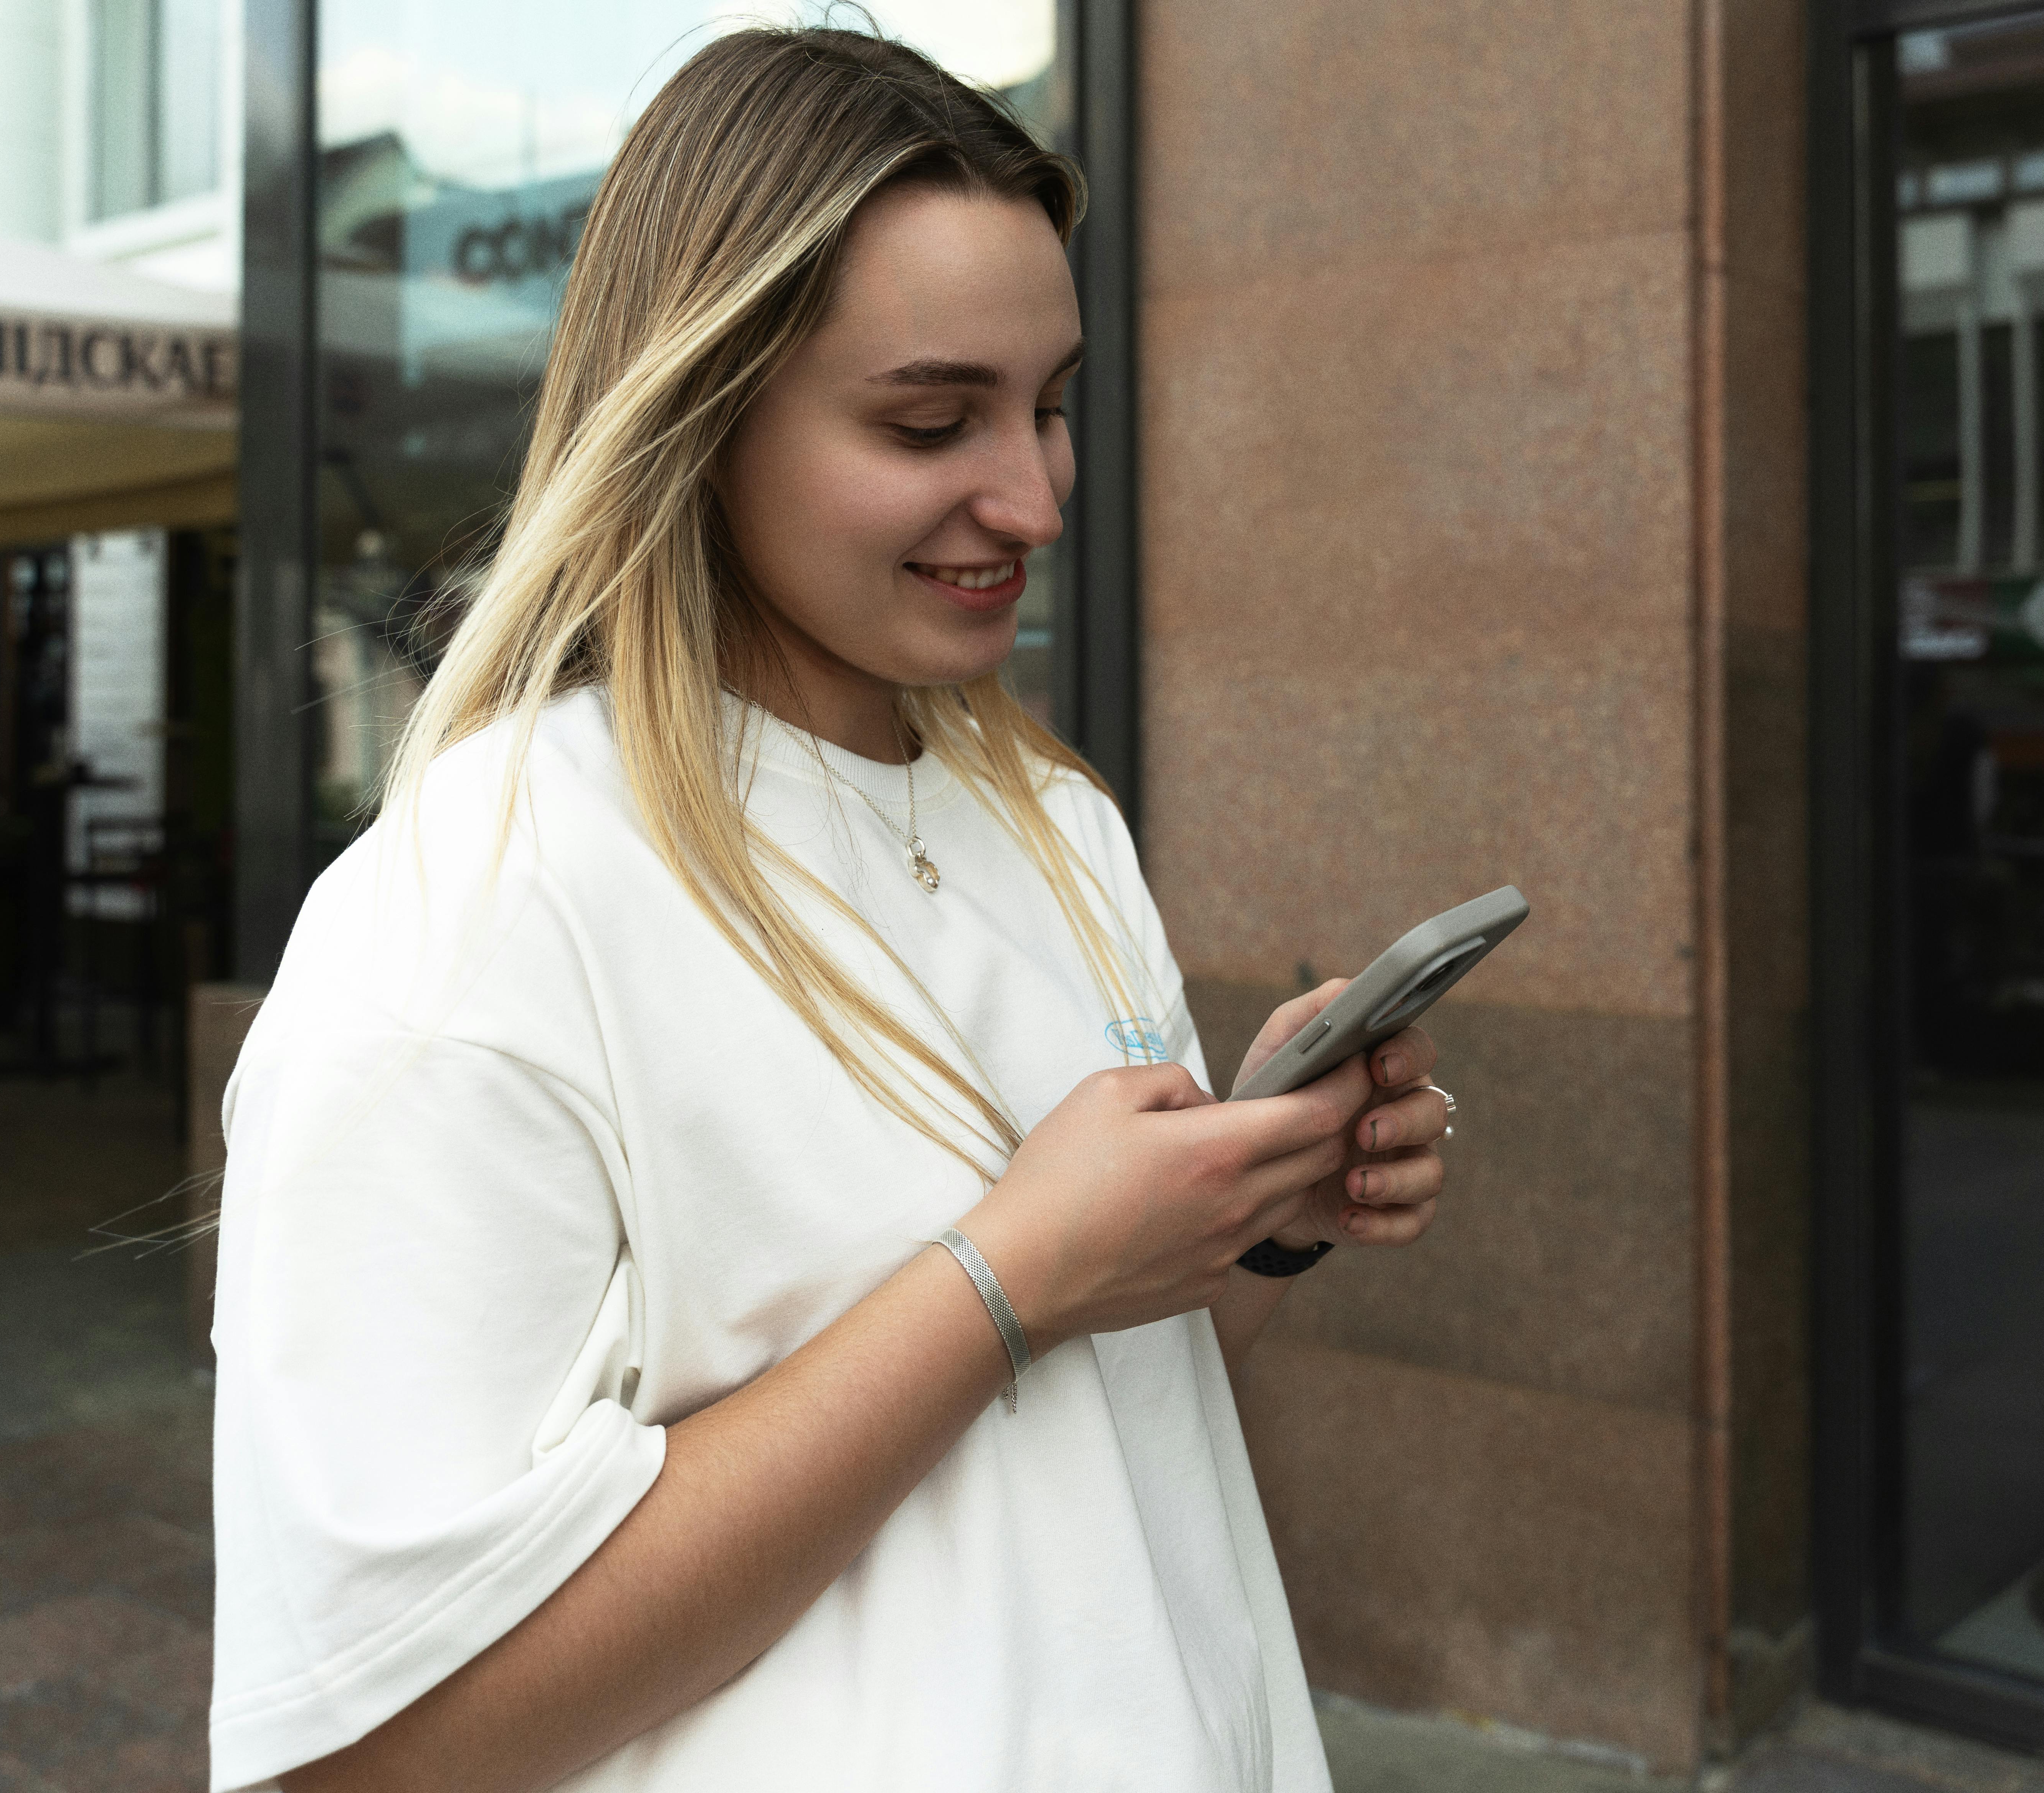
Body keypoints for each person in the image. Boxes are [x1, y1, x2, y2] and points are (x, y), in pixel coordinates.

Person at [207, 26, 1454, 1793]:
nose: (1033, 495)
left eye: (1052, 402)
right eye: (931, 419)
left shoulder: (1058, 820)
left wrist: (1245, 1218)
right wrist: (1002, 1280)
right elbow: (376, 1740)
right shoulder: (473, 908)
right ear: (696, 411)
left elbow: (1104, 1409)